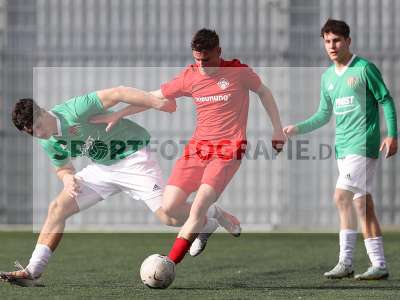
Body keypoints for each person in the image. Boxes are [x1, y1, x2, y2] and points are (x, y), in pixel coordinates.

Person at [97, 29, 286, 263]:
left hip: (229, 150)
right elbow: (153, 97)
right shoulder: (190, 76)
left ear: (219, 51)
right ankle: (215, 218)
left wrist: (277, 128)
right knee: (169, 207)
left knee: (196, 209)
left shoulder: (238, 72)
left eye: (206, 59)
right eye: (197, 59)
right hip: (197, 150)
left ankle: (170, 262)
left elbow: (264, 92)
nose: (201, 64)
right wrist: (120, 113)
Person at [1, 86, 195, 287]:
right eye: (33, 133)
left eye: (39, 126)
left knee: (168, 217)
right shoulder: (46, 140)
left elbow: (118, 93)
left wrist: (158, 103)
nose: (40, 134)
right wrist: (67, 178)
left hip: (132, 157)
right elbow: (63, 167)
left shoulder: (75, 110)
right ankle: (33, 271)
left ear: (42, 111)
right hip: (102, 167)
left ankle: (207, 216)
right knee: (57, 208)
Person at [284, 19, 397, 280]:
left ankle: (345, 262)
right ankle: (379, 265)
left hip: (363, 144)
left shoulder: (365, 68)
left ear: (348, 41)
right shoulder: (327, 78)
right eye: (327, 41)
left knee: (340, 197)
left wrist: (392, 135)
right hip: (343, 149)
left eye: (337, 40)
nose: (332, 46)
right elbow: (324, 114)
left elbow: (386, 100)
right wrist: (297, 128)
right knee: (363, 206)